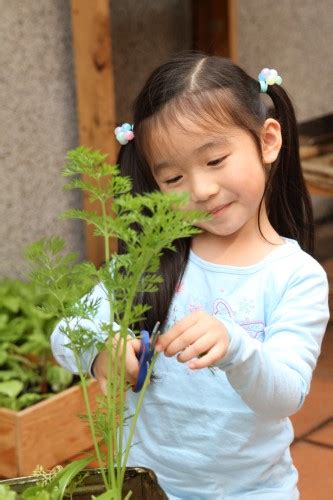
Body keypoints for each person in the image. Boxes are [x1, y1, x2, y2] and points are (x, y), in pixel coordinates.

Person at [51, 53, 330, 499]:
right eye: (174, 176)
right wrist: (101, 349)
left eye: (216, 160)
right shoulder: (147, 260)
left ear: (268, 140)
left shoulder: (295, 276)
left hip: (253, 492)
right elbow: (66, 333)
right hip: (148, 487)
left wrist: (236, 347)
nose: (200, 189)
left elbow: (285, 394)